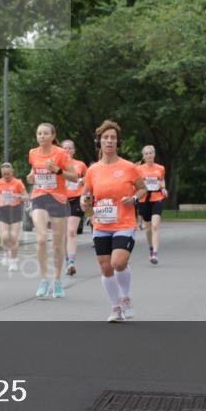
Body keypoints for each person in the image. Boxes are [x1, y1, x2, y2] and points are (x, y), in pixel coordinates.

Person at [82, 120, 145, 323]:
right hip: (101, 225)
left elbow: (143, 189)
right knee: (105, 267)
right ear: (99, 142)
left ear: (118, 142)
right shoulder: (93, 170)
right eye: (105, 138)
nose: (109, 141)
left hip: (124, 223)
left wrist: (134, 198)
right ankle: (115, 307)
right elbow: (86, 196)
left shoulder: (128, 167)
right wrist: (89, 211)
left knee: (118, 262)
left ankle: (125, 297)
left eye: (113, 138)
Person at [27, 123, 79, 299]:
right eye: (39, 133)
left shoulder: (61, 153)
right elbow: (33, 170)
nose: (41, 136)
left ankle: (57, 280)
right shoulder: (33, 153)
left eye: (45, 133)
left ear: (52, 135)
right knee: (41, 238)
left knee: (57, 243)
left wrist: (57, 170)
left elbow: (74, 176)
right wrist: (31, 177)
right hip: (39, 196)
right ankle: (44, 279)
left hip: (58, 199)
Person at [0, 162, 28, 272]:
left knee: (13, 237)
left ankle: (13, 261)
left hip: (15, 210)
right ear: (1, 173)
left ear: (12, 172)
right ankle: (6, 253)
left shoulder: (18, 183)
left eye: (8, 174)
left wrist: (18, 196)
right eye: (4, 174)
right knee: (4, 237)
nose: (6, 176)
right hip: (2, 210)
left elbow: (26, 196)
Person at [61, 139, 88, 276]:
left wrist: (84, 195)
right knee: (65, 233)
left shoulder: (80, 165)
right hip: (60, 201)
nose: (67, 150)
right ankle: (67, 260)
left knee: (71, 231)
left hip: (76, 199)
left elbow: (88, 182)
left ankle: (71, 262)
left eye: (70, 148)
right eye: (65, 148)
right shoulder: (57, 164)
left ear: (74, 150)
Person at [136, 145, 167, 265]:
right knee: (148, 229)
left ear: (154, 154)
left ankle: (155, 253)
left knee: (155, 226)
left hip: (157, 198)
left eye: (151, 153)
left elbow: (162, 180)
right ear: (143, 156)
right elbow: (136, 184)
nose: (149, 155)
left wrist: (163, 188)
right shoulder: (139, 169)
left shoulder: (160, 168)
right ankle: (150, 247)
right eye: (146, 154)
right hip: (144, 200)